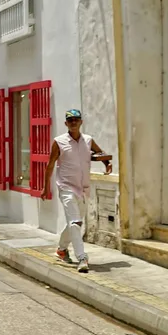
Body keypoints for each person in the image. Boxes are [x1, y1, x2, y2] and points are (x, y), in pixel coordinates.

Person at [42, 109, 112, 274]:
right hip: (66, 187)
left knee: (75, 222)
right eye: (70, 120)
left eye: (76, 119)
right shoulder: (59, 142)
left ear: (81, 122)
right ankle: (82, 257)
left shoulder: (88, 140)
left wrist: (107, 163)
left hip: (84, 188)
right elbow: (50, 165)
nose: (73, 122)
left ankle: (61, 249)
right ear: (66, 123)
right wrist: (46, 187)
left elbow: (100, 153)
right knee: (75, 222)